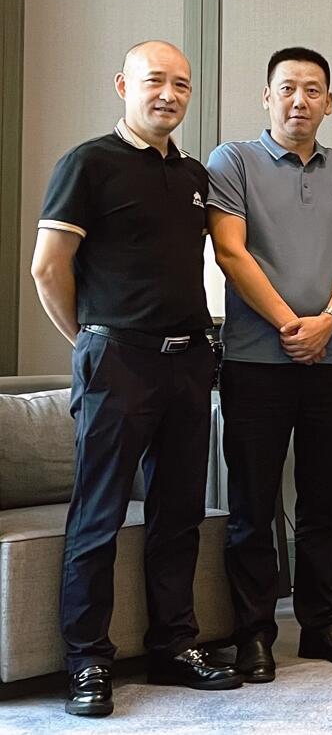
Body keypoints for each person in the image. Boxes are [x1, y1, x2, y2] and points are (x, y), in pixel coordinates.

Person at [31, 40, 243, 717]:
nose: (169, 95)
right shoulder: (88, 162)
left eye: (181, 84)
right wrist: (90, 340)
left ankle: (173, 645)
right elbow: (47, 267)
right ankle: (88, 661)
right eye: (155, 81)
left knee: (179, 514)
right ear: (124, 85)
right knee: (98, 514)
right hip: (117, 361)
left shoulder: (193, 175)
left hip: (189, 361)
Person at [206, 47, 332, 680]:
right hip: (256, 359)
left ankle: (322, 625)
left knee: (324, 499)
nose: (299, 100)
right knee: (253, 503)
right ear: (267, 96)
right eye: (287, 88)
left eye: (312, 90)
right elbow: (231, 252)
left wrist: (328, 320)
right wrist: (288, 324)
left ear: (329, 101)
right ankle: (253, 633)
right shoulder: (232, 160)